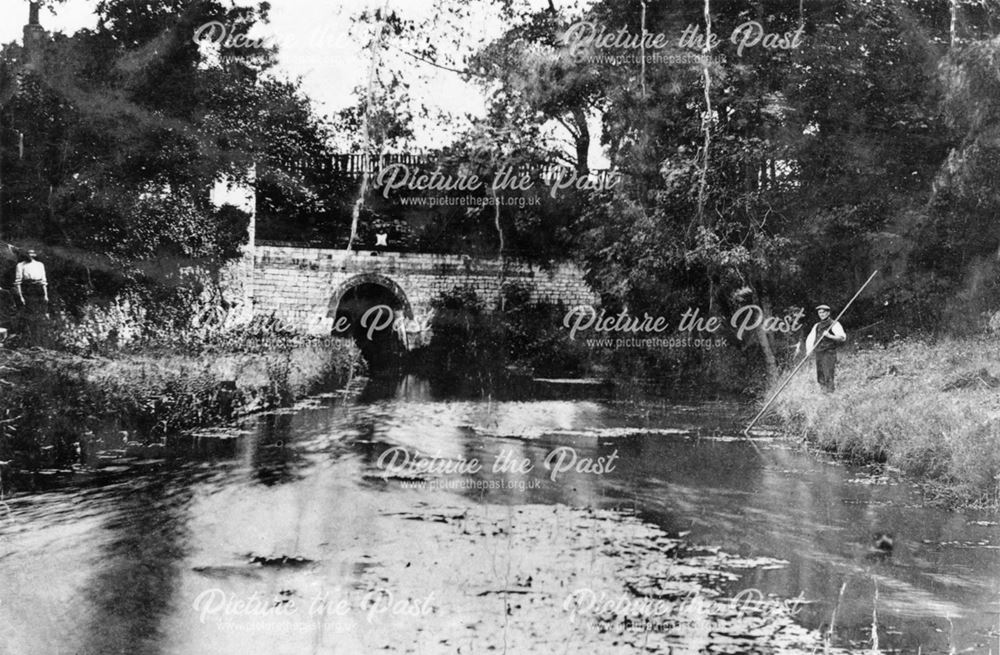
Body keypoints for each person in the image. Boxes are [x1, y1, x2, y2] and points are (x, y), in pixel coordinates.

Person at [805, 304, 846, 392]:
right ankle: (823, 393)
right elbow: (811, 338)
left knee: (828, 373)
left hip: (829, 352)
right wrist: (809, 350)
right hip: (819, 352)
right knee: (820, 374)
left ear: (828, 313)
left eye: (823, 312)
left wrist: (829, 335)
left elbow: (842, 338)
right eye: (820, 313)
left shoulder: (834, 324)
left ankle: (830, 393)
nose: (821, 314)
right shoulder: (817, 325)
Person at [14, 248, 48, 344]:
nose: (30, 256)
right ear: (25, 255)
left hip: (39, 289)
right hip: (28, 289)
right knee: (30, 315)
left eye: (31, 254)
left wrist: (45, 295)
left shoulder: (40, 265)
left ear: (34, 255)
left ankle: (40, 342)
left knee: (40, 315)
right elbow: (18, 282)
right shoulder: (20, 265)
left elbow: (44, 281)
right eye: (27, 254)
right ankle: (31, 341)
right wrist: (21, 296)